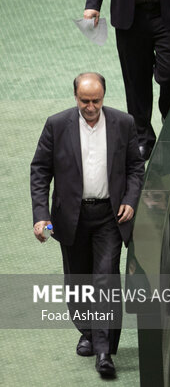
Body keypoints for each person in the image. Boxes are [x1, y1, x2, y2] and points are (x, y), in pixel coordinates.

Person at [30, 73, 145, 378]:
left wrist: (131, 200)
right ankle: (88, 332)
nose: (91, 107)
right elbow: (40, 170)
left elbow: (135, 167)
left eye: (96, 100)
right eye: (85, 101)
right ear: (75, 97)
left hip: (110, 216)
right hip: (71, 218)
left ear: (104, 97)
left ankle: (104, 351)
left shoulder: (123, 123)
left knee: (105, 279)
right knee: (78, 283)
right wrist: (41, 215)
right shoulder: (56, 125)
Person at [83, 0, 170, 160]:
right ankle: (142, 138)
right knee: (135, 79)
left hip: (169, 10)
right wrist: (93, 4)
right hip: (129, 14)